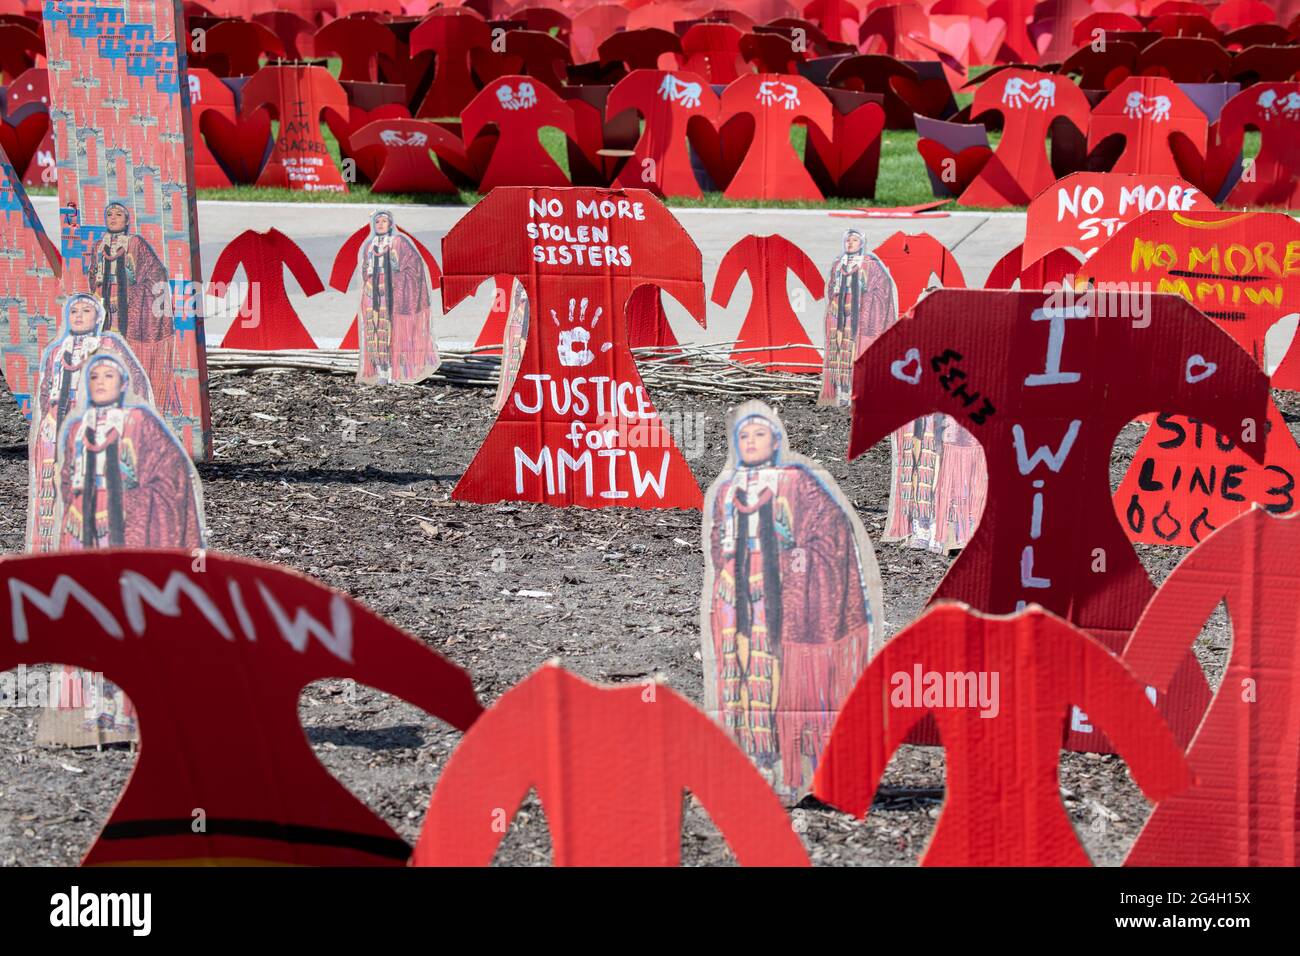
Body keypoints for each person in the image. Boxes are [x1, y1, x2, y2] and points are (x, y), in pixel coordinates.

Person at [705, 403, 882, 804]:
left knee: (782, 677)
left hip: (783, 599)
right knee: (740, 671)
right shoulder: (727, 489)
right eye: (744, 436)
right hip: (735, 599)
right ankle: (748, 760)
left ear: (777, 441)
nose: (751, 442)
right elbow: (719, 538)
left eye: (760, 435)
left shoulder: (798, 482)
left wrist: (793, 558)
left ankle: (790, 766)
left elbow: (831, 531)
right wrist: (728, 567)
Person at [27, 294, 150, 553]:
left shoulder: (108, 345)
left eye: (86, 310)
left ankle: (96, 550)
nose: (79, 316)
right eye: (74, 311)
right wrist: (49, 419)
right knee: (51, 491)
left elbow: (134, 380)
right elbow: (46, 388)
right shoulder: (57, 351)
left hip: (93, 428)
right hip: (54, 427)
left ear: (98, 317)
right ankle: (49, 549)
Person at [58, 353, 205, 549]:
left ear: (123, 385)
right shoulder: (77, 428)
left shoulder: (140, 421)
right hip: (81, 517)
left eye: (109, 376)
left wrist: (132, 499)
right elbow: (66, 477)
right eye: (94, 377)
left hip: (127, 514)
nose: (100, 382)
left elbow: (171, 474)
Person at [88, 201, 175, 409]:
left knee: (131, 358)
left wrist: (132, 293)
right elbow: (93, 278)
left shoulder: (135, 244)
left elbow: (157, 274)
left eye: (119, 214)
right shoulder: (99, 246)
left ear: (127, 221)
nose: (113, 218)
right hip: (107, 312)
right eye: (109, 214)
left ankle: (136, 401)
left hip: (132, 312)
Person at [357, 209, 439, 384]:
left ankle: (398, 372)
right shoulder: (369, 246)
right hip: (373, 294)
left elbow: (414, 265)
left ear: (391, 224)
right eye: (377, 222)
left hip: (394, 295)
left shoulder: (399, 242)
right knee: (376, 331)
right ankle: (382, 372)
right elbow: (365, 270)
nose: (380, 224)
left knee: (396, 332)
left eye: (384, 221)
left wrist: (397, 275)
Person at [819, 229, 897, 407]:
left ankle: (858, 392)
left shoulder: (871, 265)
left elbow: (883, 289)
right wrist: (836, 302)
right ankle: (841, 393)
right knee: (837, 354)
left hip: (859, 318)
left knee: (856, 353)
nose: (850, 243)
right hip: (838, 316)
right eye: (847, 240)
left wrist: (863, 299)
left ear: (861, 243)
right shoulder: (838, 264)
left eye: (854, 240)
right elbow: (832, 287)